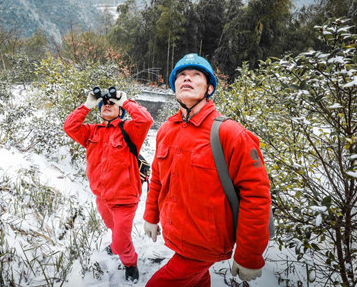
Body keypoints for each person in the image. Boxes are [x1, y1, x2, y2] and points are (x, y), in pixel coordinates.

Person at [143, 54, 271, 286]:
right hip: (178, 235)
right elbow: (158, 180)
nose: (187, 79)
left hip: (205, 243)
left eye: (195, 75)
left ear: (209, 87)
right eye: (181, 75)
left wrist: (250, 254)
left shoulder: (229, 133)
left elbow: (256, 195)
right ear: (174, 87)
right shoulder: (166, 130)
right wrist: (151, 216)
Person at [63, 87, 153, 283]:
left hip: (125, 199)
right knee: (114, 230)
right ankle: (118, 243)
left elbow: (146, 120)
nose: (107, 104)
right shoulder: (91, 131)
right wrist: (87, 105)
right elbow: (69, 126)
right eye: (104, 102)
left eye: (112, 103)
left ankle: (130, 263)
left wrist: (126, 101)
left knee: (120, 244)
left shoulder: (130, 130)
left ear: (120, 110)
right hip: (102, 198)